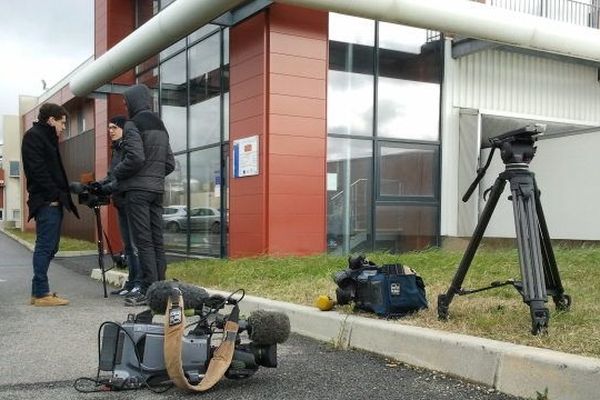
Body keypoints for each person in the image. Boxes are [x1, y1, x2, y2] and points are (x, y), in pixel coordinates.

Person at [111, 84, 175, 306]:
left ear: (134, 102)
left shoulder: (133, 124)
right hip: (156, 190)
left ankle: (147, 289)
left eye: (127, 102)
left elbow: (135, 158)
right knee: (157, 241)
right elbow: (169, 163)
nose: (126, 106)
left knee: (143, 241)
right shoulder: (160, 125)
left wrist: (117, 174)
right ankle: (161, 289)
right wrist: (154, 176)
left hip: (137, 192)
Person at [21, 102, 79, 307]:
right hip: (46, 201)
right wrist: (55, 194)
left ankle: (38, 291)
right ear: (51, 119)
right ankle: (41, 294)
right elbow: (37, 171)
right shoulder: (34, 137)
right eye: (62, 123)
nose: (64, 127)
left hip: (52, 200)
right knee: (45, 246)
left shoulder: (46, 137)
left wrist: (66, 190)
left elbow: (52, 171)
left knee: (50, 246)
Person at [98, 116, 141, 296]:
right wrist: (97, 186)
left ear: (124, 130)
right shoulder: (116, 150)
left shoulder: (128, 148)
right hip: (120, 203)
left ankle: (139, 283)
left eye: (114, 127)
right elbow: (112, 175)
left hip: (131, 201)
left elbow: (124, 177)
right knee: (128, 246)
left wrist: (107, 187)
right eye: (109, 128)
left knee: (135, 244)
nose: (111, 131)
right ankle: (131, 283)